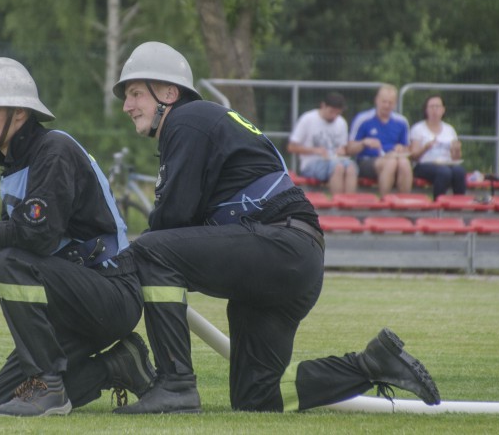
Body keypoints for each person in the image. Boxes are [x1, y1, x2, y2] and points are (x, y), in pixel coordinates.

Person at [111, 42, 441, 414]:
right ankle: (370, 364)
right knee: (256, 399)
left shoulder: (187, 121)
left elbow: (170, 222)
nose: (127, 105)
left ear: (169, 93)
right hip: (294, 257)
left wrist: (113, 267)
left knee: (149, 251)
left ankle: (175, 385)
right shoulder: (205, 122)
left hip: (281, 246)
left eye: (136, 93)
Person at [0, 57, 156, 417]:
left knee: (11, 262)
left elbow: (34, 238)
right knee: (3, 397)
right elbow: (21, 245)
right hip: (73, 300)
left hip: (110, 293)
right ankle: (119, 365)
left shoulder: (53, 151)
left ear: (19, 114)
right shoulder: (14, 165)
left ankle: (49, 385)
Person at [286, 92, 358, 195]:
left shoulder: (341, 122)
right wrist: (314, 150)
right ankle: (337, 203)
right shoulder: (308, 119)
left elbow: (343, 148)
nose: (334, 116)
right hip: (311, 163)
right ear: (323, 106)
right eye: (331, 112)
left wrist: (343, 151)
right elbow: (291, 147)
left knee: (351, 167)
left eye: (337, 113)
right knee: (338, 167)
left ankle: (349, 204)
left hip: (334, 160)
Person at [348, 84, 413, 195]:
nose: (387, 106)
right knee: (391, 162)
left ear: (395, 103)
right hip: (368, 160)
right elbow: (350, 149)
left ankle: (404, 205)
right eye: (384, 102)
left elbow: (407, 149)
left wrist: (401, 148)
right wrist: (364, 143)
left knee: (404, 163)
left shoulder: (401, 122)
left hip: (394, 158)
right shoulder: (363, 119)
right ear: (377, 101)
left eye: (390, 103)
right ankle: (384, 203)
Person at [409, 95, 467, 198]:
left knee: (459, 171)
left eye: (438, 107)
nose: (435, 110)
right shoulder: (418, 129)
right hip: (424, 165)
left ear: (443, 110)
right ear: (426, 110)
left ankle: (459, 206)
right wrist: (425, 148)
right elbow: (413, 156)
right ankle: (438, 206)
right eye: (431, 107)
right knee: (444, 172)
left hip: (447, 163)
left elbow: (456, 158)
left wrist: (457, 150)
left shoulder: (449, 129)